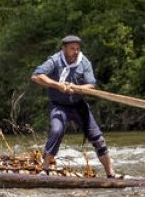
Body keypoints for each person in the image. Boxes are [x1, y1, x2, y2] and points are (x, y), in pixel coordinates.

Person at [31, 35, 117, 178]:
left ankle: (111, 173)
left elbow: (92, 85)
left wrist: (76, 88)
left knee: (98, 138)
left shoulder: (84, 62)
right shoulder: (55, 60)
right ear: (64, 49)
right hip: (59, 106)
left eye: (77, 49)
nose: (75, 52)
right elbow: (36, 76)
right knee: (56, 130)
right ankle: (44, 169)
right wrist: (57, 85)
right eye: (72, 49)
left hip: (78, 105)